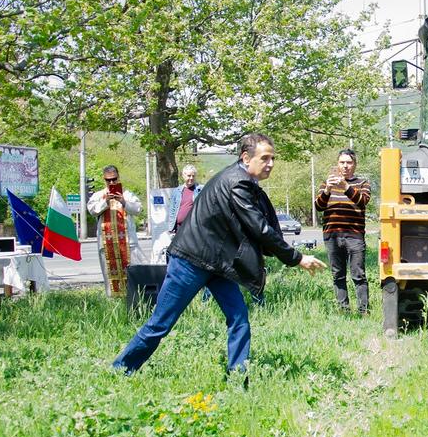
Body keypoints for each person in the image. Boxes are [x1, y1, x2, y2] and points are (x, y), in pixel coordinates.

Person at [113, 133, 326, 377]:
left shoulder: (242, 179)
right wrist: (297, 258)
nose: (271, 164)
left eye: (273, 158)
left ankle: (237, 377)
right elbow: (259, 228)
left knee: (239, 319)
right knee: (160, 324)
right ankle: (121, 369)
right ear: (246, 158)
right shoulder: (238, 182)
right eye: (265, 158)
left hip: (216, 264)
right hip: (190, 262)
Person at [314, 149, 371, 314]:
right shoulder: (327, 183)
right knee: (338, 275)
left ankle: (363, 310)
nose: (345, 166)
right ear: (337, 164)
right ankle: (343, 310)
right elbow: (318, 206)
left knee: (358, 275)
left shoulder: (362, 182)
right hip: (332, 235)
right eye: (342, 162)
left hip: (354, 235)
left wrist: (345, 186)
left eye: (349, 162)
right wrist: (327, 191)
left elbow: (362, 201)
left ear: (354, 164)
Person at [87, 165, 145, 297]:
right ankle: (113, 302)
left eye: (114, 179)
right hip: (107, 244)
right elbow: (92, 210)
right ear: (104, 180)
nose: (112, 182)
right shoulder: (99, 195)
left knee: (132, 274)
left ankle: (134, 299)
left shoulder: (127, 194)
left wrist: (124, 202)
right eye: (108, 180)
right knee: (109, 275)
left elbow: (138, 209)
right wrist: (105, 202)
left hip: (127, 242)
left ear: (118, 177)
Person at [166, 164, 203, 234]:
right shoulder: (177, 191)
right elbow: (172, 210)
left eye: (193, 176)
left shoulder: (201, 189)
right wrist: (171, 228)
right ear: (183, 176)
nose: (191, 178)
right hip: (179, 228)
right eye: (189, 175)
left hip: (194, 228)